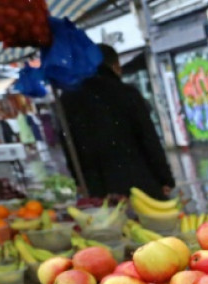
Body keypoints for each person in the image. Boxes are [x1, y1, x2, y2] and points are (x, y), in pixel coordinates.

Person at [60, 44, 175, 199]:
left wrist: (78, 180)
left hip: (98, 189)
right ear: (115, 65)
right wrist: (165, 179)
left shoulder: (67, 100)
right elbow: (149, 139)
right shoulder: (127, 93)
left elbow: (68, 145)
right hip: (141, 184)